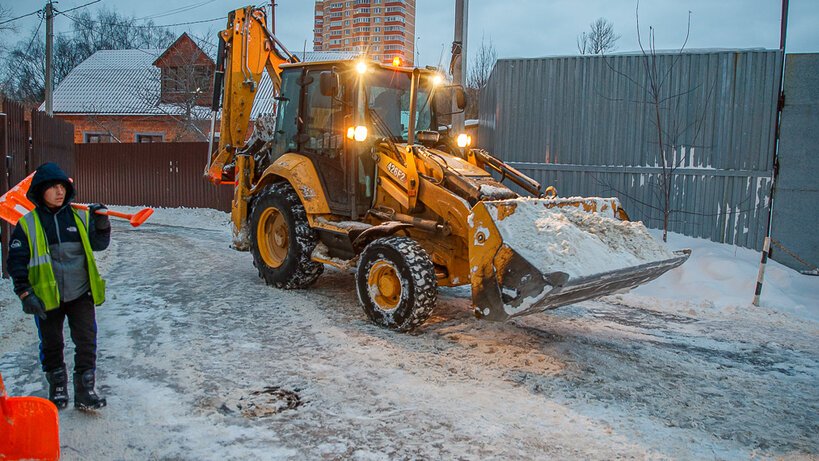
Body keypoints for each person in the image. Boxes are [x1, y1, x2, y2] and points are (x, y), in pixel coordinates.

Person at [8, 162, 110, 410]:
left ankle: (85, 390)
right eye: (53, 187)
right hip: (47, 297)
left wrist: (102, 224)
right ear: (41, 191)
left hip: (80, 293)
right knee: (52, 344)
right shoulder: (28, 223)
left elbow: (98, 245)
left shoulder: (80, 216)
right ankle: (58, 388)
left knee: (86, 342)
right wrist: (25, 294)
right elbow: (16, 262)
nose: (59, 192)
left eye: (62, 187)